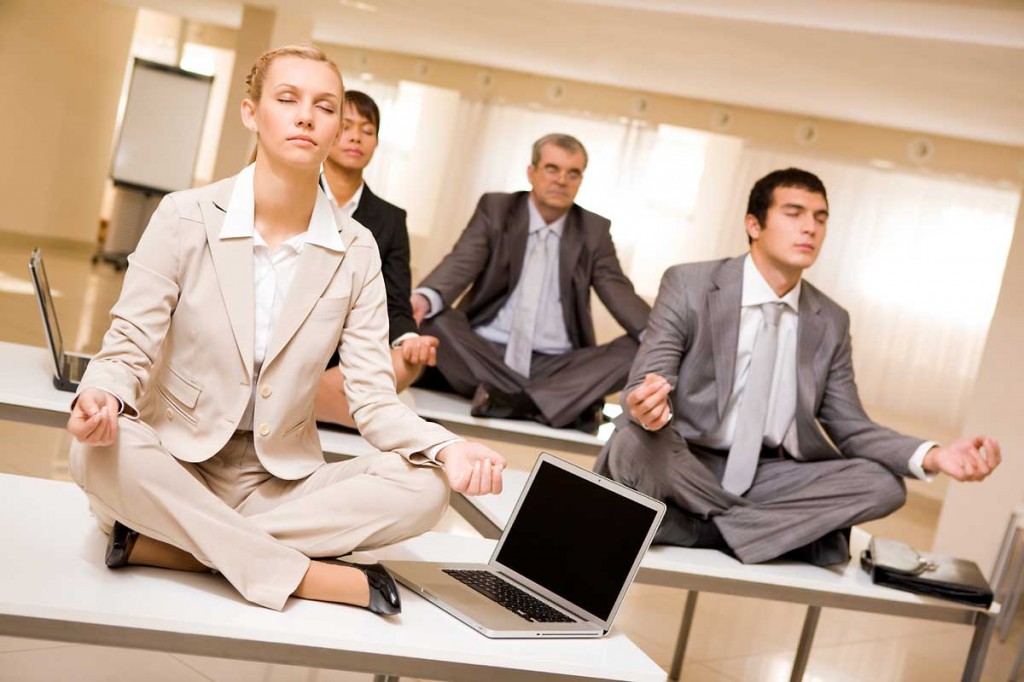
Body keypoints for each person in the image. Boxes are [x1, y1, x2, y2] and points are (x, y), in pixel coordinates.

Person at [66, 45, 506, 615]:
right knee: (99, 454)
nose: (306, 116)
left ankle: (177, 546)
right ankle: (308, 577)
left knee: (425, 488)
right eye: (287, 99)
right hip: (175, 460)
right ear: (252, 112)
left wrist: (447, 446)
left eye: (325, 106)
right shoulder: (184, 216)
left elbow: (373, 400)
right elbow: (128, 347)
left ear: (335, 126)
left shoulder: (357, 249)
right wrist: (103, 395)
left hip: (281, 483)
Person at [595, 167, 1001, 566]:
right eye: (794, 213)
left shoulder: (831, 320)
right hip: (686, 458)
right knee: (629, 443)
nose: (810, 228)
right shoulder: (690, 283)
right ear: (754, 225)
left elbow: (850, 426)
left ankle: (701, 531)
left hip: (768, 475)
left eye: (820, 218)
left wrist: (936, 456)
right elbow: (650, 374)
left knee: (882, 485)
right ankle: (775, 535)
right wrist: (647, 402)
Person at [411, 133, 650, 431]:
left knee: (642, 347)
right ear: (531, 172)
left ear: (580, 181)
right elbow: (462, 262)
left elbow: (617, 289)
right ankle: (549, 403)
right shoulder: (497, 209)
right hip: (486, 352)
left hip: (556, 364)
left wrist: (664, 339)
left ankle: (509, 400)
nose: (562, 180)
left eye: (572, 173)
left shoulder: (593, 230)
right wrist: (422, 299)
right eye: (552, 168)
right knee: (435, 318)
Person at [315, 90, 437, 427]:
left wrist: (411, 341)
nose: (356, 137)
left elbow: (395, 303)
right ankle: (361, 417)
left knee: (407, 361)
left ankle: (306, 404)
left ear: (376, 143)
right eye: (346, 127)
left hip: (349, 356)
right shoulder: (294, 195)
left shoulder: (391, 219)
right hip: (291, 344)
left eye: (367, 131)